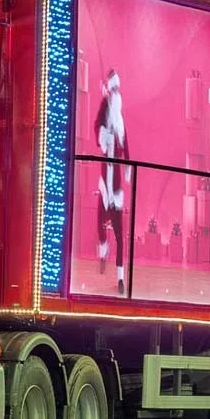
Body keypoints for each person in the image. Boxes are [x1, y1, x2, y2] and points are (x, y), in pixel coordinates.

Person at [95, 69, 132, 295]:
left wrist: (127, 168)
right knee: (100, 224)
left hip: (116, 187)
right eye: (114, 89)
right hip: (104, 183)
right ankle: (102, 250)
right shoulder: (106, 111)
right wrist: (104, 97)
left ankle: (120, 278)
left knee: (119, 234)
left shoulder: (120, 124)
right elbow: (97, 127)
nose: (117, 94)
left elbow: (127, 148)